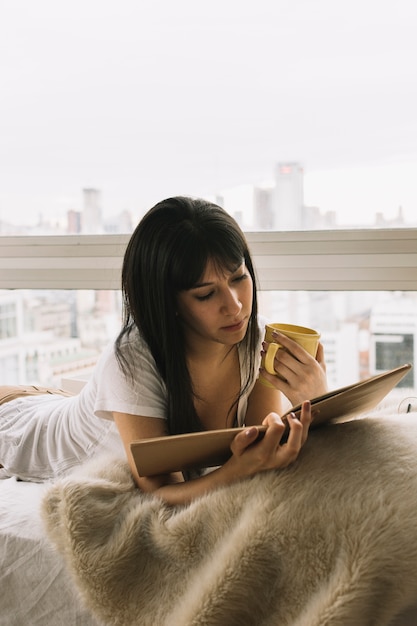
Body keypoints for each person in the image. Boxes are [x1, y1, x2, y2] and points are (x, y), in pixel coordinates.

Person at [0, 196, 327, 504]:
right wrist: (235, 472)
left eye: (239, 278)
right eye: (205, 294)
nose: (235, 305)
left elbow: (259, 442)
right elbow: (159, 492)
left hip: (51, 399)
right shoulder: (131, 358)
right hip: (18, 428)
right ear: (168, 302)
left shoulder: (255, 338)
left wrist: (314, 401)